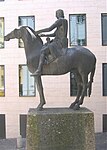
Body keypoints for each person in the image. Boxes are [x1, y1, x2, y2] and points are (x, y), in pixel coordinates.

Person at [32, 9, 68, 76]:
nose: (56, 15)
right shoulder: (63, 22)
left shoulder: (60, 20)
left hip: (59, 43)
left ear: (58, 14)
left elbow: (49, 29)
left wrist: (39, 31)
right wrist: (44, 35)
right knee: (46, 45)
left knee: (43, 51)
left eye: (56, 14)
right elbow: (54, 34)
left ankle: (39, 70)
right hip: (61, 41)